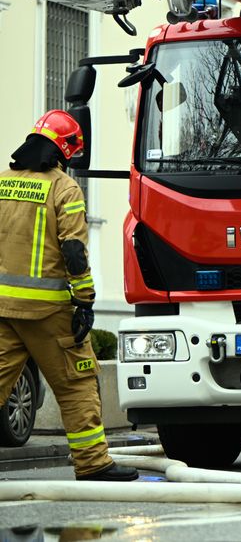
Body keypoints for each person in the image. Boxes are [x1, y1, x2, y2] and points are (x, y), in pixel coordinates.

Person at [0, 110, 138, 481]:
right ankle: (93, 464)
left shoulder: (2, 182)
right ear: (66, 149)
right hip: (49, 313)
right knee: (77, 384)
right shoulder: (64, 188)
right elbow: (74, 251)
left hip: (3, 310)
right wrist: (86, 302)